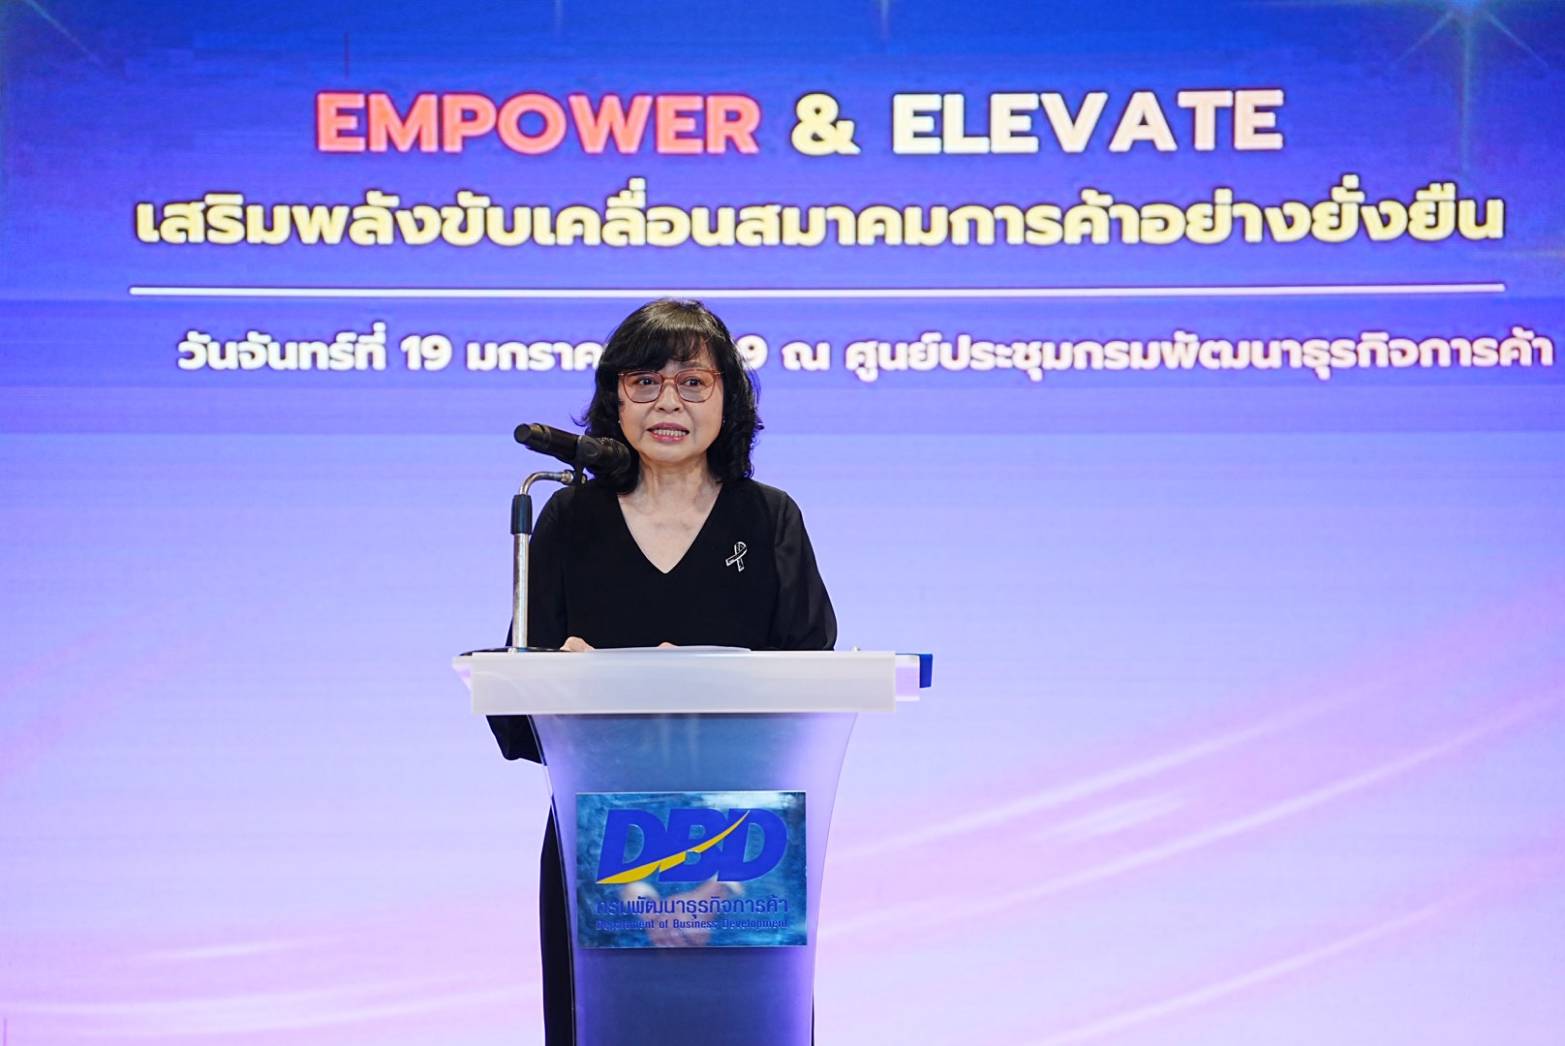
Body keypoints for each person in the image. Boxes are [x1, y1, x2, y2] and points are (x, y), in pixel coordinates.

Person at [486, 298, 836, 1044]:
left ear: (727, 400)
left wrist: (724, 882)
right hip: (601, 838)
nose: (667, 403)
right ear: (614, 399)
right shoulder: (569, 519)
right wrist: (565, 683)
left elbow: (811, 689)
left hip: (746, 848)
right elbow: (515, 717)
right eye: (644, 382)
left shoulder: (767, 519)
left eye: (692, 383)